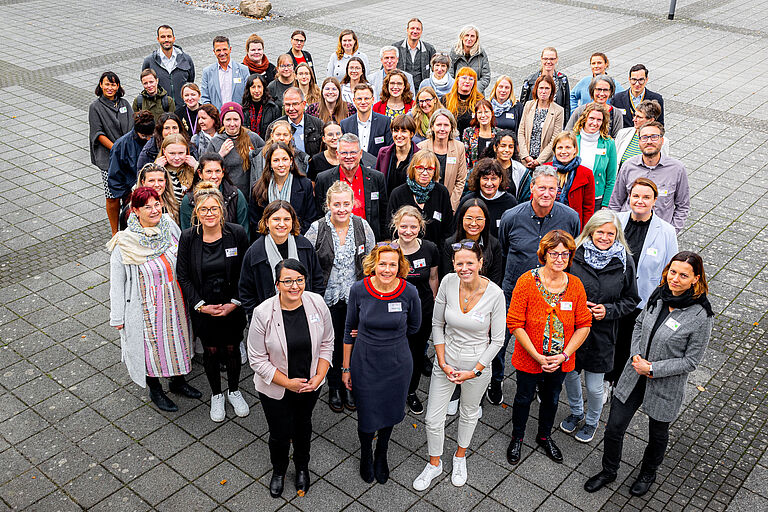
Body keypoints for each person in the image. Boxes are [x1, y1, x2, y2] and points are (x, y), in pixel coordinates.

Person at [585, 251, 713, 497]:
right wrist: (635, 355)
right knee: (613, 428)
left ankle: (648, 473)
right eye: (672, 272)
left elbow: (691, 361)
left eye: (683, 275)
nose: (675, 279)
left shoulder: (701, 316)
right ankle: (609, 471)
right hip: (634, 373)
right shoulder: (659, 294)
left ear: (696, 279)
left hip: (664, 384)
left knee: (657, 434)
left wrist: (652, 368)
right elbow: (638, 324)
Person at [413, 240, 505, 490]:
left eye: (470, 263)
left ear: (480, 263)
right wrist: (441, 361)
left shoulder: (495, 294)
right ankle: (435, 463)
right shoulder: (447, 283)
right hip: (447, 361)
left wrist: (474, 371)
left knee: (469, 412)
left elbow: (497, 340)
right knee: (433, 418)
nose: (465, 268)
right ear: (453, 264)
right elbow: (437, 324)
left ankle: (460, 457)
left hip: (477, 365)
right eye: (459, 263)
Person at [490, 166, 580, 405]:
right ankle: (496, 379)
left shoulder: (570, 218)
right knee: (501, 340)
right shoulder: (512, 217)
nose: (547, 193)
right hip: (515, 291)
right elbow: (504, 251)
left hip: (552, 294)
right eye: (542, 187)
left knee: (548, 338)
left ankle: (541, 382)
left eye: (552, 188)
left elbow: (570, 254)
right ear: (531, 187)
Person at [108, 186, 200, 412]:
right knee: (152, 348)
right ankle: (155, 389)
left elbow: (184, 254)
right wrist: (118, 316)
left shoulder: (169, 226)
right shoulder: (124, 243)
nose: (154, 210)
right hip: (147, 305)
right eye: (146, 207)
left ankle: (178, 382)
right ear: (135, 211)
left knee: (179, 341)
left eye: (156, 204)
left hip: (176, 300)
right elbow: (117, 284)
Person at [248, 258, 334, 498]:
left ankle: (302, 467)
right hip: (276, 389)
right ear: (277, 284)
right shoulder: (263, 313)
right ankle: (279, 470)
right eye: (288, 281)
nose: (294, 286)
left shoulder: (316, 303)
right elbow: (256, 359)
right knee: (279, 432)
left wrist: (320, 375)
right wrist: (287, 383)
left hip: (309, 385)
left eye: (299, 280)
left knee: (303, 427)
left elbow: (327, 341)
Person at [506, 230, 592, 465]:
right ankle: (518, 437)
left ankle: (544, 436)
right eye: (554, 253)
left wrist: (564, 355)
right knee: (523, 398)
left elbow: (584, 324)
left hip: (560, 361)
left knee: (552, 399)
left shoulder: (575, 285)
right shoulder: (526, 281)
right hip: (529, 358)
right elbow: (514, 322)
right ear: (543, 254)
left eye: (565, 254)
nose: (559, 259)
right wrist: (536, 356)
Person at [342, 243, 421, 484]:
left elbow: (415, 326)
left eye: (392, 264)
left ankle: (381, 453)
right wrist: (345, 368)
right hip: (365, 362)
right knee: (366, 413)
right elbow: (348, 329)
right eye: (382, 263)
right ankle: (366, 454)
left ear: (400, 267)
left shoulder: (409, 292)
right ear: (373, 265)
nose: (387, 269)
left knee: (389, 411)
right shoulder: (359, 290)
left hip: (397, 364)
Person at [560, 210, 639, 444]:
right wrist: (574, 306)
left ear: (617, 235)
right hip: (573, 330)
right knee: (570, 377)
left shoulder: (625, 261)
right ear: (590, 231)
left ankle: (593, 421)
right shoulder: (574, 254)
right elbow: (559, 287)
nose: (604, 237)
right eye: (600, 232)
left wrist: (609, 311)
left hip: (603, 334)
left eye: (610, 233)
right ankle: (576, 412)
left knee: (595, 388)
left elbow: (632, 299)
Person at [177, 182, 250, 422]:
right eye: (204, 209)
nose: (209, 213)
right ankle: (216, 394)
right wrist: (199, 305)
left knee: (231, 349)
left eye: (214, 208)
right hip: (204, 308)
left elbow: (244, 271)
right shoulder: (188, 238)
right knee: (210, 350)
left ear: (222, 210)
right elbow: (183, 276)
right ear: (196, 212)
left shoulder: (236, 233)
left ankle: (234, 390)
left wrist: (235, 302)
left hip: (231, 306)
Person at [305, 181, 376, 413]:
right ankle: (335, 386)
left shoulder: (362, 226)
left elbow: (371, 260)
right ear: (328, 205)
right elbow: (307, 261)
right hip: (327, 296)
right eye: (337, 204)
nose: (342, 209)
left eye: (346, 203)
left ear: (353, 204)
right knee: (332, 342)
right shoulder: (317, 228)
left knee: (354, 341)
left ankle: (351, 384)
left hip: (355, 297)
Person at [607, 178, 678, 392]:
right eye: (636, 196)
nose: (640, 201)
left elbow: (670, 268)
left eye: (646, 197)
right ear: (629, 197)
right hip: (612, 296)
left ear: (655, 201)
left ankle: (615, 382)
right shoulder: (614, 221)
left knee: (627, 343)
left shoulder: (666, 231)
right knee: (607, 339)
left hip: (641, 300)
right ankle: (602, 379)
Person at [391, 206, 439, 414]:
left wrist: (436, 303)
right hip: (395, 313)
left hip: (423, 311)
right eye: (403, 226)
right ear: (396, 226)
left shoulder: (430, 248)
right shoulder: (388, 249)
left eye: (413, 226)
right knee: (394, 354)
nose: (408, 231)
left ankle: (410, 391)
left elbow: (433, 277)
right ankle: (393, 389)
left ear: (421, 226)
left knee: (417, 353)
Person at [239, 200, 324, 316]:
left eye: (287, 219)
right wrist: (258, 316)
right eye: (276, 219)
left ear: (293, 222)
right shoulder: (255, 252)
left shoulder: (305, 246)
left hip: (305, 312)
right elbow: (246, 291)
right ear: (266, 222)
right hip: (269, 317)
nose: (282, 224)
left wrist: (313, 308)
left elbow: (318, 280)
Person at [609, 122, 689, 232]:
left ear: (662, 140)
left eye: (654, 137)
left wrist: (672, 231)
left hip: (659, 232)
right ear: (639, 142)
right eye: (644, 137)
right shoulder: (628, 166)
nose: (649, 141)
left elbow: (683, 206)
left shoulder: (677, 169)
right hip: (626, 230)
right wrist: (616, 228)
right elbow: (615, 201)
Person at [314, 133, 388, 240]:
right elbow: (319, 215)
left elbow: (383, 214)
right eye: (344, 153)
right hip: (335, 240)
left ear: (361, 153)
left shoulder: (377, 178)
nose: (349, 157)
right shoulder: (323, 179)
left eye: (353, 152)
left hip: (368, 239)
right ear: (337, 154)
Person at [89, 71, 135, 234]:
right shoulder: (95, 107)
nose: (110, 87)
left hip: (127, 157)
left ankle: (129, 226)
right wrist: (117, 147)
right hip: (108, 158)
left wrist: (127, 149)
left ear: (118, 86)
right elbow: (98, 133)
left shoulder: (124, 103)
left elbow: (131, 128)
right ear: (100, 85)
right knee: (112, 195)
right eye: (107, 84)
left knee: (129, 192)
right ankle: (115, 231)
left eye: (113, 84)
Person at [387, 150, 453, 250]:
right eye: (420, 168)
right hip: (404, 254)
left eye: (430, 169)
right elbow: (390, 228)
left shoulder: (441, 192)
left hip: (435, 255)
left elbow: (448, 228)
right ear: (413, 169)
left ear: (435, 171)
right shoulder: (398, 194)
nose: (425, 173)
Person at [250, 142, 317, 235]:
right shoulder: (258, 188)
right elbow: (255, 222)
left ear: (291, 161)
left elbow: (310, 218)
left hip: (297, 239)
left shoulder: (305, 185)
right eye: (276, 160)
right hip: (267, 241)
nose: (281, 164)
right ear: (269, 163)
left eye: (285, 159)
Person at [106, 111, 157, 234]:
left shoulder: (158, 140)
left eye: (151, 135)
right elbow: (115, 178)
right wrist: (128, 197)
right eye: (144, 136)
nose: (149, 140)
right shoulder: (121, 146)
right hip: (133, 193)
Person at [180, 153, 248, 235]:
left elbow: (244, 231)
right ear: (200, 174)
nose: (214, 176)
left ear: (223, 173)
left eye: (217, 171)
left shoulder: (236, 195)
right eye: (209, 172)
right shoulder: (190, 199)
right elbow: (187, 233)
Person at [209, 102, 266, 201]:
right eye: (228, 120)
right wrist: (220, 154)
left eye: (236, 119)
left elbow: (266, 154)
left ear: (241, 120)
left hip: (249, 195)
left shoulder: (252, 137)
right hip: (225, 196)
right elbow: (207, 168)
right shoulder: (215, 141)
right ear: (222, 121)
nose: (232, 124)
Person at [443, 198, 503, 287]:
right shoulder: (450, 244)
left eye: (479, 219)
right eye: (469, 218)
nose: (474, 223)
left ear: (485, 220)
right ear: (461, 219)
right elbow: (448, 278)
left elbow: (495, 281)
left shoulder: (494, 245)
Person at [417, 109, 467, 210]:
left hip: (450, 204)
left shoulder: (459, 147)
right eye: (439, 125)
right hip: (425, 204)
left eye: (446, 125)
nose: (442, 129)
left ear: (452, 127)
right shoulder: (421, 147)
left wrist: (450, 206)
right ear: (432, 126)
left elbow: (460, 180)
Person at [572, 103, 617, 211]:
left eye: (599, 120)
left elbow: (611, 177)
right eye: (591, 118)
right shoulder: (572, 138)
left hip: (596, 199)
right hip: (573, 195)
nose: (595, 123)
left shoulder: (608, 143)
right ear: (585, 118)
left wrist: (605, 204)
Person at [458, 158, 518, 238]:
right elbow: (457, 230)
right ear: (479, 179)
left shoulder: (510, 202)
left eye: (493, 179)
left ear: (500, 179)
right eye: (485, 178)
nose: (489, 183)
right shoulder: (468, 200)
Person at [249, 120, 312, 189]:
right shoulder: (257, 156)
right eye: (278, 134)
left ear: (290, 137)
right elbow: (254, 185)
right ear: (272, 136)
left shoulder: (300, 157)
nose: (281, 138)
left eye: (285, 135)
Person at [143, 25, 195, 108]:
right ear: (158, 39)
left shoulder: (186, 59)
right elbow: (146, 84)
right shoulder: (149, 61)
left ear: (174, 38)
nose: (166, 40)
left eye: (169, 36)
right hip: (160, 110)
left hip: (182, 108)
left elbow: (190, 81)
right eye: (163, 37)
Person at [518, 75, 564, 168]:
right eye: (541, 88)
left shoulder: (558, 111)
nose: (543, 91)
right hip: (525, 160)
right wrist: (526, 156)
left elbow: (554, 140)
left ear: (552, 91)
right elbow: (521, 132)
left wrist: (538, 161)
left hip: (544, 162)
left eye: (547, 88)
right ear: (536, 89)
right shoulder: (528, 105)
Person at [120, 163, 180, 230]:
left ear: (165, 181)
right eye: (151, 181)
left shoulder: (174, 204)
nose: (157, 184)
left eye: (160, 180)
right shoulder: (130, 210)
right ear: (143, 182)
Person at [340, 84, 393, 158]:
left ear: (373, 100)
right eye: (359, 99)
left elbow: (389, 150)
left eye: (366, 98)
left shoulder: (385, 122)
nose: (363, 102)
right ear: (354, 101)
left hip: (377, 167)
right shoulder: (345, 124)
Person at [518, 47, 571, 121]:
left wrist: (566, 127)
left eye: (552, 59)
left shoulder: (562, 80)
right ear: (541, 59)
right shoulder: (530, 81)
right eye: (545, 59)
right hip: (534, 122)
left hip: (555, 123)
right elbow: (522, 106)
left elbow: (566, 105)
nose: (548, 62)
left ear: (556, 60)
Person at [200, 36, 250, 109]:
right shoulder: (207, 72)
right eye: (218, 50)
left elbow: (248, 95)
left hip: (238, 116)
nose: (222, 53)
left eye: (224, 49)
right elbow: (205, 97)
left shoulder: (243, 70)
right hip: (217, 117)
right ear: (214, 52)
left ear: (230, 49)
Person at [272, 87, 324, 157]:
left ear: (303, 104)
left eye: (295, 104)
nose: (291, 108)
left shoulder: (318, 125)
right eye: (287, 105)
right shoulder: (275, 126)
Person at [614, 99, 668, 166]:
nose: (634, 120)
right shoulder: (623, 133)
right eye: (635, 115)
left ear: (651, 120)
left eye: (639, 117)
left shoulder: (661, 141)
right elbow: (614, 157)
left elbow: (662, 165)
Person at [610, 64, 665, 128]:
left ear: (646, 79)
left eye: (641, 80)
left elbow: (660, 124)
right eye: (634, 80)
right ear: (629, 79)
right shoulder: (617, 98)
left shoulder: (656, 99)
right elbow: (612, 122)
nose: (637, 84)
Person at [375, 114, 416, 193]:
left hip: (409, 204)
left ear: (411, 134)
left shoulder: (418, 155)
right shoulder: (383, 153)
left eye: (404, 131)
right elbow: (377, 182)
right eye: (396, 131)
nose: (399, 135)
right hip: (387, 204)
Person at [393, 18, 436, 88]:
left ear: (421, 31)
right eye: (412, 28)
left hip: (420, 89)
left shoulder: (429, 49)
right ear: (407, 30)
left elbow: (436, 70)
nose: (415, 31)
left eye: (418, 29)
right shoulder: (396, 48)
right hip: (401, 88)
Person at [155, 133, 197, 203]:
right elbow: (138, 190)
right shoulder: (154, 167)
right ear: (164, 151)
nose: (177, 158)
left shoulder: (195, 168)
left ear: (186, 151)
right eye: (172, 153)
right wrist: (155, 169)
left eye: (181, 153)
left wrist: (197, 167)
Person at [484, 130, 527, 199]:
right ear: (495, 148)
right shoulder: (483, 167)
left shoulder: (521, 170)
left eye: (510, 147)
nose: (507, 150)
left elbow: (526, 197)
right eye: (503, 146)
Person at [443, 67, 485, 135]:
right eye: (464, 78)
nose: (467, 81)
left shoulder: (480, 101)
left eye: (471, 79)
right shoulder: (446, 99)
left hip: (472, 139)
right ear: (457, 79)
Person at [448, 25, 490, 93]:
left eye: (472, 36)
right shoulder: (455, 52)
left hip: (476, 93)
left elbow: (486, 77)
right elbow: (450, 73)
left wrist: (474, 89)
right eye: (467, 35)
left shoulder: (481, 53)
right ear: (462, 37)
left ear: (476, 39)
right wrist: (458, 88)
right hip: (457, 92)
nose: (469, 38)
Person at [241, 74, 281, 141]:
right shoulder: (243, 108)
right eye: (253, 87)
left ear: (264, 88)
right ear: (249, 89)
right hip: (247, 145)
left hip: (267, 146)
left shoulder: (273, 108)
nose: (256, 91)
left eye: (259, 87)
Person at [462, 98, 497, 172]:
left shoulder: (498, 133)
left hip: (494, 174)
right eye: (480, 112)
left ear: (492, 113)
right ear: (476, 115)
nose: (483, 115)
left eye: (486, 112)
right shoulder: (468, 132)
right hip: (474, 174)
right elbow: (465, 157)